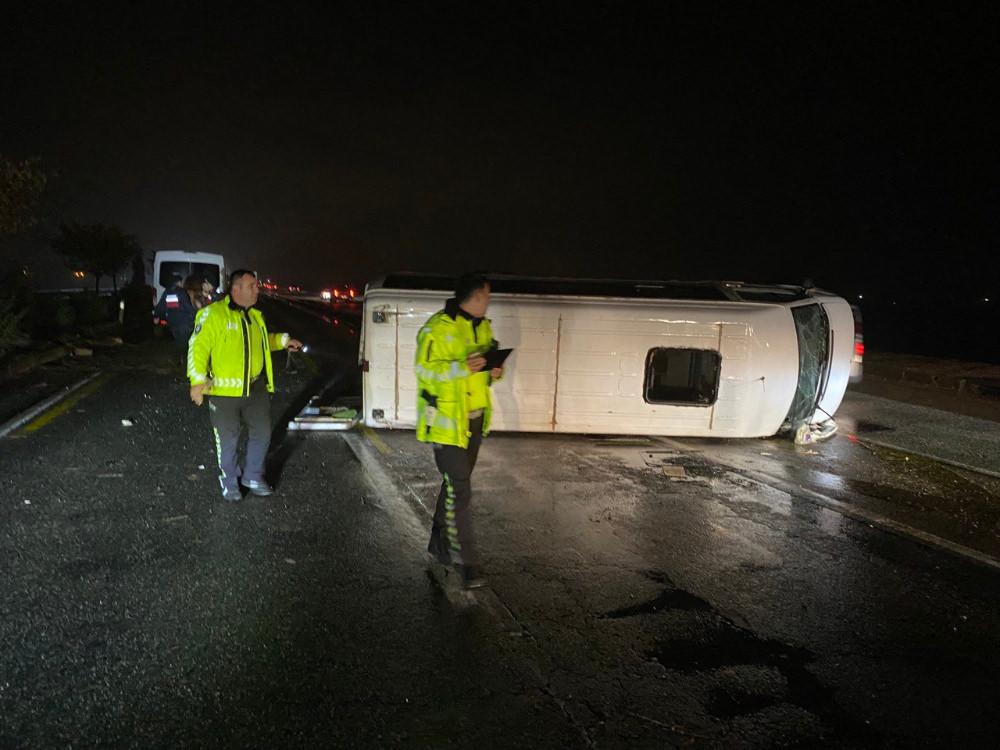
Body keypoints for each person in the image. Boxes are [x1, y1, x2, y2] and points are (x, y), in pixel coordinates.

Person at [415, 273, 504, 589]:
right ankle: (465, 562)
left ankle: (438, 543)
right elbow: (423, 371)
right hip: (446, 424)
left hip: (475, 421)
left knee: (454, 485)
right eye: (487, 296)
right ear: (475, 296)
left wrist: (494, 370)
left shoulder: (484, 327)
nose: (489, 302)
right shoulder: (437, 328)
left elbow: (484, 373)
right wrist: (462, 367)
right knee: (461, 490)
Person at [187, 269, 303, 501]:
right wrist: (197, 381)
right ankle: (229, 481)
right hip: (224, 392)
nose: (257, 290)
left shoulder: (254, 316)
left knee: (262, 433)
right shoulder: (214, 315)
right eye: (252, 286)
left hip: (255, 389)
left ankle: (252, 476)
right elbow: (197, 348)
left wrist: (283, 341)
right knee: (228, 441)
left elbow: (261, 342)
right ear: (236, 288)